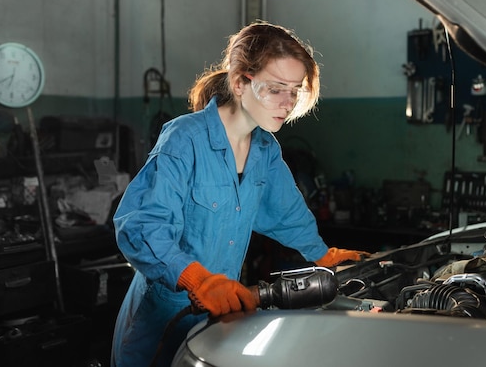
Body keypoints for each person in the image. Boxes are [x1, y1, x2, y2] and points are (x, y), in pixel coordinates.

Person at [111, 21, 369, 366]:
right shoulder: (184, 139)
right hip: (160, 321)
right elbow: (141, 226)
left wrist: (324, 256)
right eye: (276, 88)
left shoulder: (266, 149)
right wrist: (198, 280)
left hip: (220, 315)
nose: (288, 102)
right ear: (239, 82)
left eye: (295, 90)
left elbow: (286, 214)